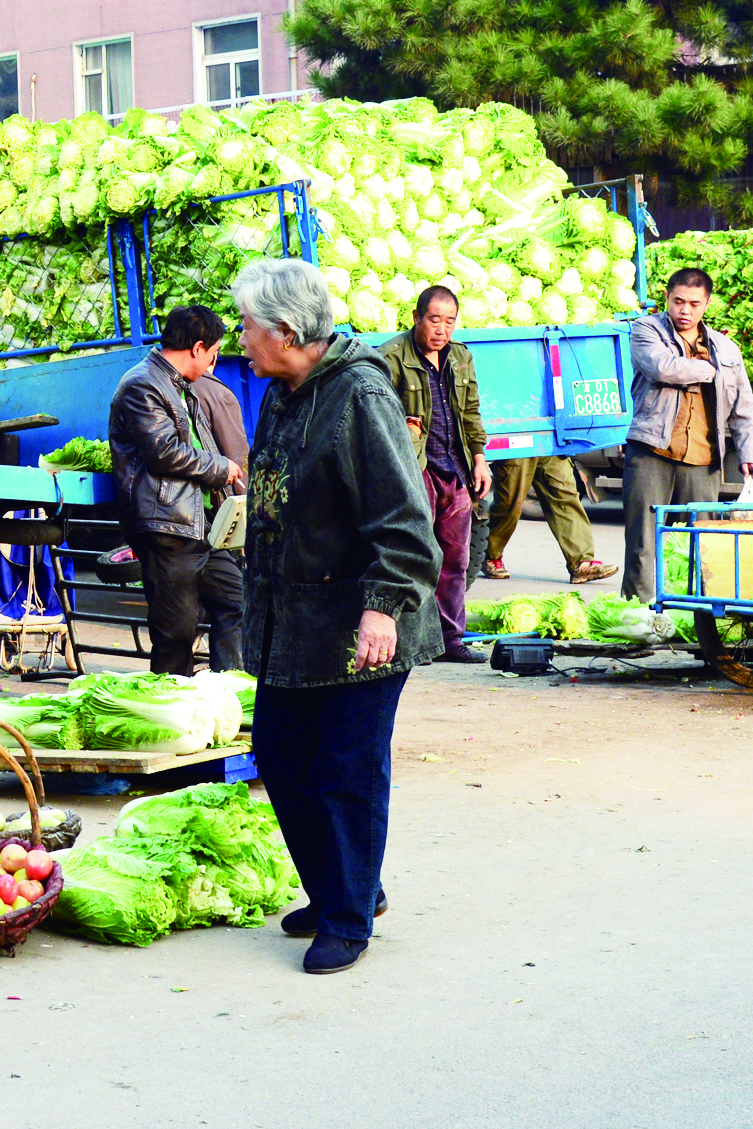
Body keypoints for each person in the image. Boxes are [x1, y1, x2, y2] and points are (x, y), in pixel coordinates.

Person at [232, 259, 442, 975]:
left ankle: (348, 917)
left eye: (249, 327)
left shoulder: (359, 395)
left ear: (287, 332)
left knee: (347, 768)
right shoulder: (283, 392)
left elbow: (407, 522)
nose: (241, 339)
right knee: (283, 753)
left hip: (364, 623)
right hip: (295, 622)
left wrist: (382, 608)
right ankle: (341, 889)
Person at [106, 305, 246, 675]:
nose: (213, 364)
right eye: (214, 355)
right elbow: (163, 452)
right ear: (198, 348)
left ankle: (227, 694)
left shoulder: (182, 387)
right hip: (167, 525)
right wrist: (221, 468)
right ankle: (170, 720)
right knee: (176, 633)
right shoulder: (143, 384)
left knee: (238, 601)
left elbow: (202, 444)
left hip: (199, 526)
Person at [621, 267, 753, 601]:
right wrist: (708, 370)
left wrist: (749, 456)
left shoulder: (726, 348)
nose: (685, 311)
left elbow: (744, 408)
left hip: (703, 458)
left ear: (707, 304)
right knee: (643, 541)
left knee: (702, 542)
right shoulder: (646, 329)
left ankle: (697, 617)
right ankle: (639, 616)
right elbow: (662, 367)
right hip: (652, 451)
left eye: (694, 304)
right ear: (667, 299)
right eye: (679, 301)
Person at [378, 286, 489, 664]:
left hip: (455, 470)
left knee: (455, 561)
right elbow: (377, 419)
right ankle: (412, 641)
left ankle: (449, 641)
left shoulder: (460, 357)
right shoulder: (391, 358)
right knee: (414, 558)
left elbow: (471, 411)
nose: (441, 329)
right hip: (416, 471)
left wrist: (479, 457)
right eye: (434, 319)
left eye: (449, 321)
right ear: (416, 317)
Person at [481, 456, 618, 583]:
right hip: (517, 438)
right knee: (510, 503)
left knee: (564, 496)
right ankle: (489, 554)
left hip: (550, 439)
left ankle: (581, 563)